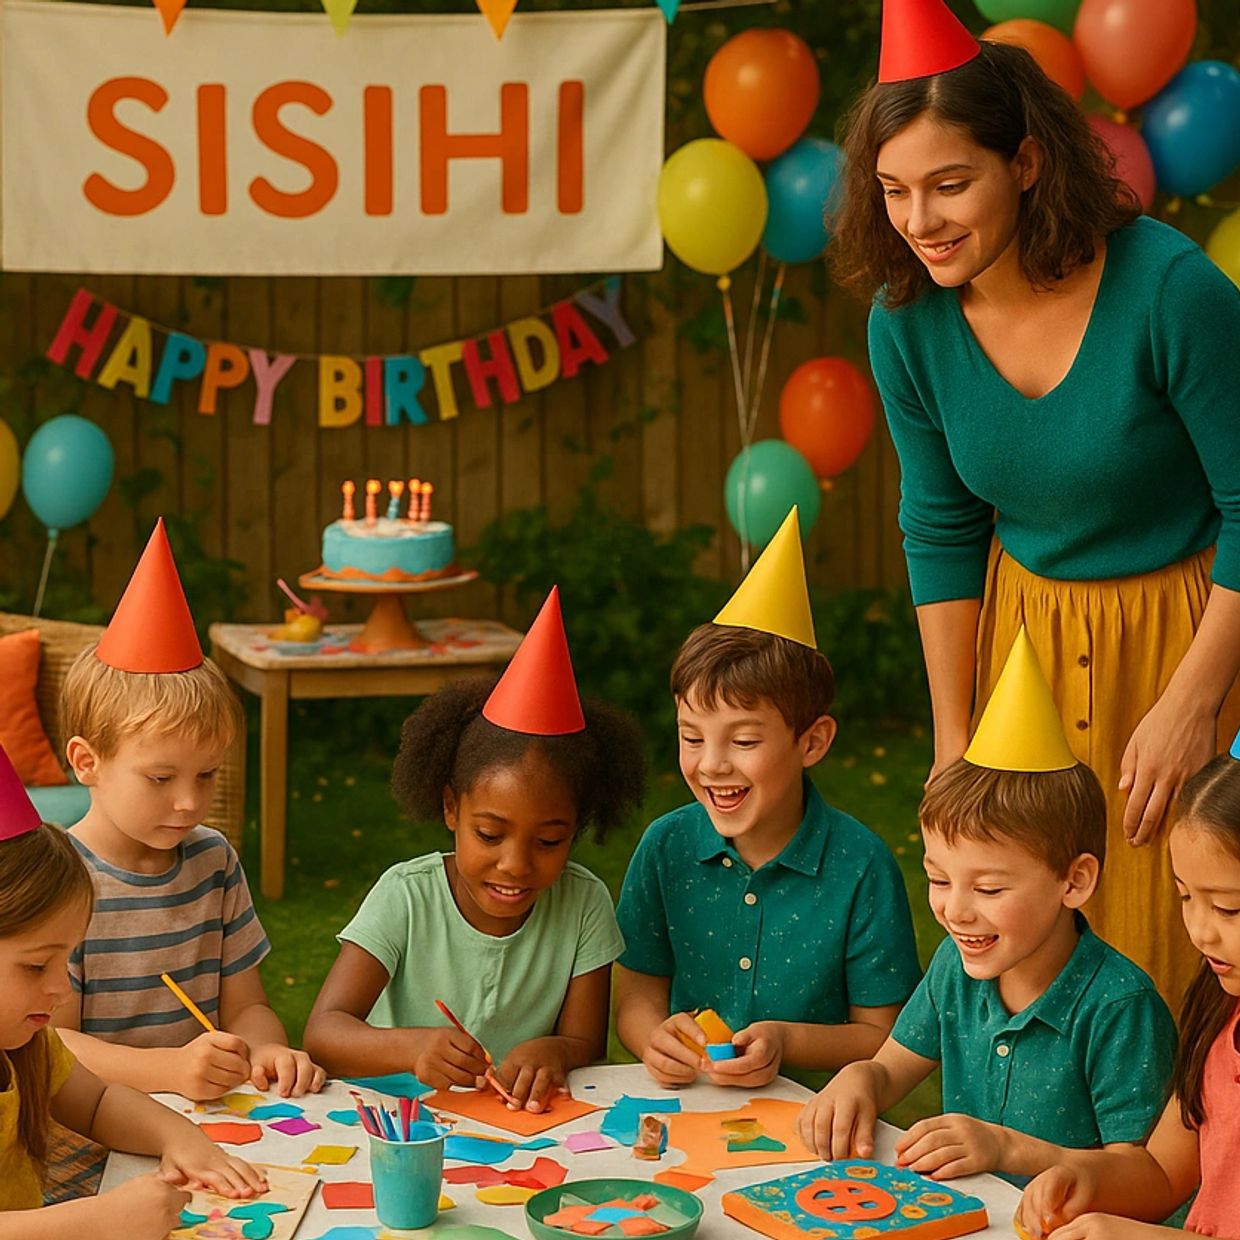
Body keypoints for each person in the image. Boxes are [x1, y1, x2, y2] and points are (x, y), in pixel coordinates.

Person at [836, 0, 1240, 1007]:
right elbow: (939, 528)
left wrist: (1195, 701)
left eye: (948, 184)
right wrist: (953, 738)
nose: (919, 220)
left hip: (1197, 634)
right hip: (1026, 644)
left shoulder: (1170, 290)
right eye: (893, 190)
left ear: (1024, 162)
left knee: (1184, 945)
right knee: (1026, 951)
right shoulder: (904, 322)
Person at [797, 631, 1177, 1186]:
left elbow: (1144, 1176)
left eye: (990, 890)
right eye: (938, 879)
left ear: (1074, 881)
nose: (955, 911)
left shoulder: (1119, 1009)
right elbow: (889, 1068)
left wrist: (1006, 1148)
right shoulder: (955, 968)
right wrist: (862, 1078)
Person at [304, 587, 645, 1113]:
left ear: (577, 829)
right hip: (406, 1123)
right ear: (451, 809)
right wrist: (412, 1048)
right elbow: (324, 1033)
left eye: (548, 841)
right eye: (489, 834)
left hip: (521, 1129)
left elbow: (585, 1044)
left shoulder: (584, 905)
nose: (515, 864)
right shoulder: (406, 897)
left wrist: (554, 1050)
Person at [614, 509, 922, 1088]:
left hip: (817, 1123)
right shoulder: (665, 848)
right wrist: (652, 1037)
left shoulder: (861, 866)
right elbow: (636, 992)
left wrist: (787, 1040)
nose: (712, 764)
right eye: (691, 737)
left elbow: (883, 1034)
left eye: (744, 741)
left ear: (813, 742)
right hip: (690, 1111)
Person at [53, 522, 323, 1102]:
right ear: (87, 762)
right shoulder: (61, 880)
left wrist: (265, 1048)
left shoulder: (213, 861)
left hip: (209, 1118)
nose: (190, 802)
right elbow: (55, 1046)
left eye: (207, 774)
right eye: (160, 778)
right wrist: (169, 1072)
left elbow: (247, 1006)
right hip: (94, 1128)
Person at [0, 745, 266, 1239]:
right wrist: (98, 1222)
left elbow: (98, 1102)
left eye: (66, 959)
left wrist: (180, 1137)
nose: (61, 989)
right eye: (36, 965)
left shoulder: (30, 1047)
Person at [1017, 741, 1240, 1237]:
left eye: (1228, 908)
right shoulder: (1221, 1012)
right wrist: (1085, 1178)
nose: (1200, 932)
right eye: (1186, 896)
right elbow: (1162, 1172)